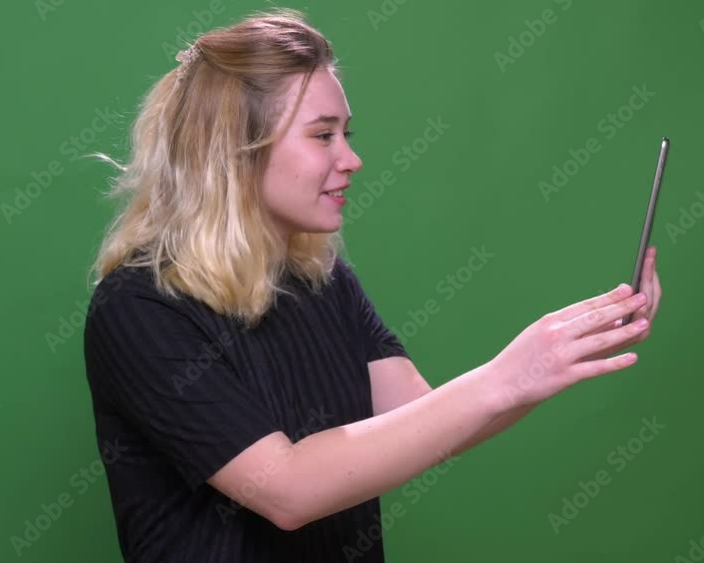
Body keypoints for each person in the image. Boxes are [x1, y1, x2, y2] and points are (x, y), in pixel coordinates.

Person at [82, 8, 662, 563]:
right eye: (323, 135)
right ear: (236, 152)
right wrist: (509, 374)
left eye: (346, 133)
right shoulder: (137, 309)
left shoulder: (321, 280)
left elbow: (429, 420)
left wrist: (568, 351)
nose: (351, 158)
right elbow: (285, 489)